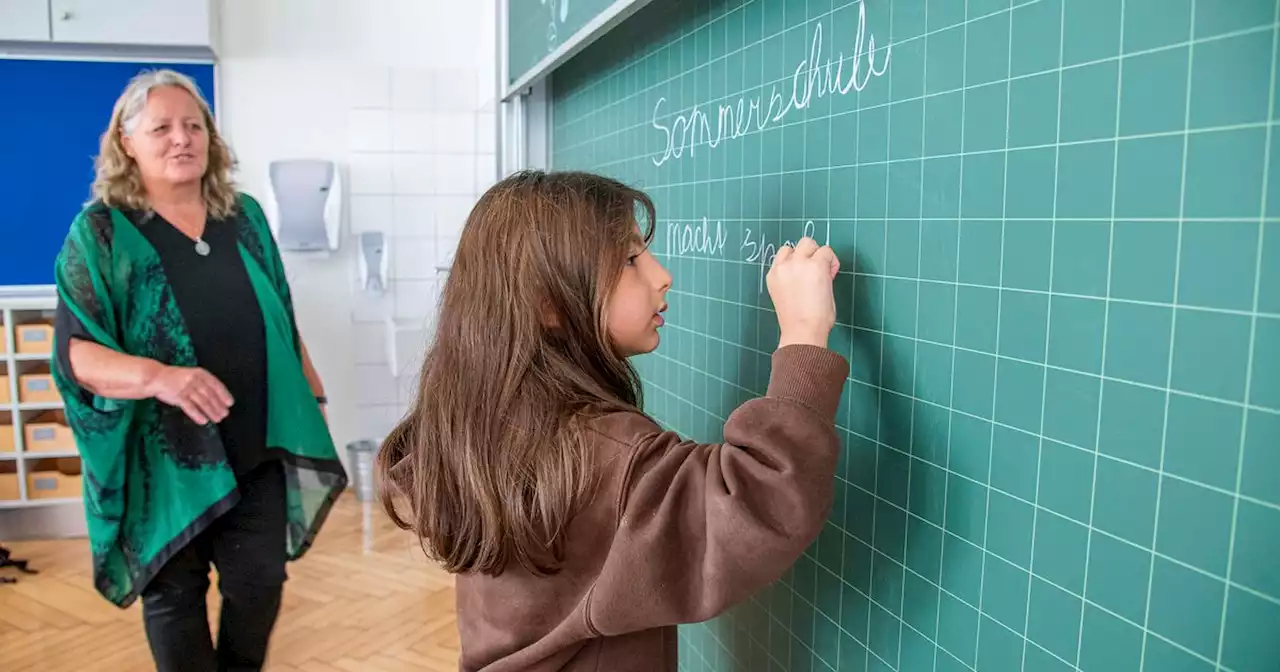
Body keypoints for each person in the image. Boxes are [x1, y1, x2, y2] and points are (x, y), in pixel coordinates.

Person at [376, 170, 848, 671]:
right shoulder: (595, 451)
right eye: (630, 259)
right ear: (549, 304)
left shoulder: (485, 424)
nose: (661, 273)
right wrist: (803, 336)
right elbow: (760, 503)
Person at [50, 68, 348, 672]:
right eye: (161, 127)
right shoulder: (101, 233)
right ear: (126, 142)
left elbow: (282, 317)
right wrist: (163, 377)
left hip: (255, 442)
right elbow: (77, 355)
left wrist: (309, 389)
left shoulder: (246, 217)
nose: (182, 138)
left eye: (194, 125)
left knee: (260, 581)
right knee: (175, 597)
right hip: (165, 462)